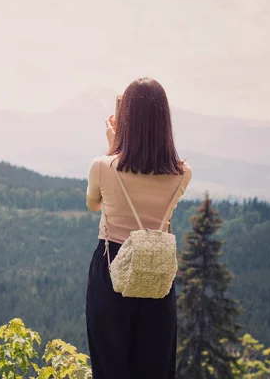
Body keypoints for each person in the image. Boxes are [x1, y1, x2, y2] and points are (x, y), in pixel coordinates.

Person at [85, 77, 192, 378]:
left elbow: (94, 203)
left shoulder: (102, 166)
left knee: (110, 368)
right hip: (158, 273)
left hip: (111, 266)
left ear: (125, 119)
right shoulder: (182, 174)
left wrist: (112, 148)